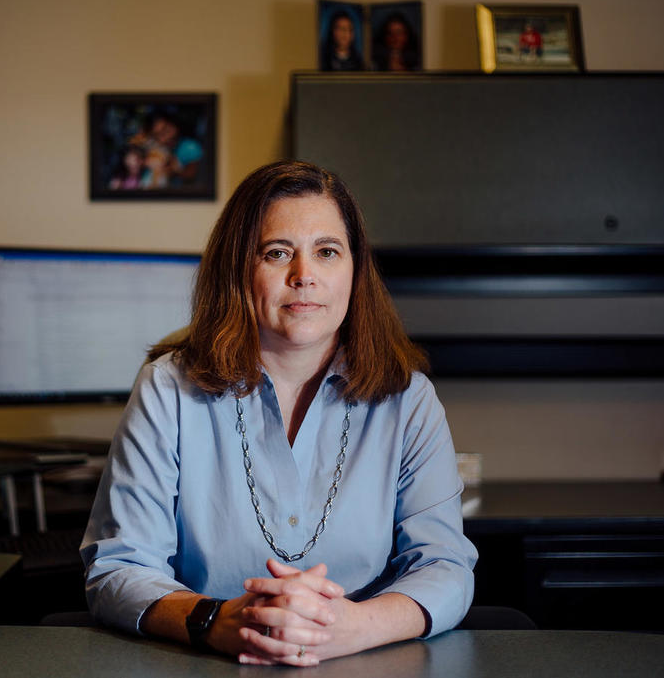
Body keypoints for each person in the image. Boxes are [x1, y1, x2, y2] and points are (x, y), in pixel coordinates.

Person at [81, 161, 477, 666]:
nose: (304, 276)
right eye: (277, 253)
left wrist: (352, 627)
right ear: (238, 269)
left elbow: (446, 566)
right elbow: (118, 568)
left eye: (327, 252)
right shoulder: (167, 388)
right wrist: (215, 620)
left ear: (355, 272)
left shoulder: (408, 399)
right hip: (205, 662)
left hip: (365, 662)